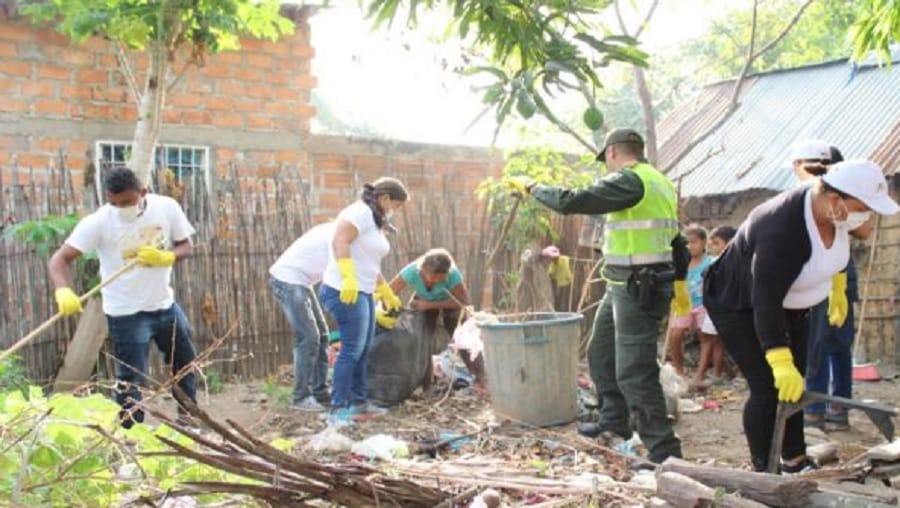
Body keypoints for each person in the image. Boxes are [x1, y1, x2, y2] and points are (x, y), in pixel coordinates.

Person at [506, 128, 689, 465]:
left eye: (606, 159)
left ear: (613, 153)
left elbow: (570, 201)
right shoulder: (658, 181)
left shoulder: (630, 180)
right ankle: (613, 421)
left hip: (638, 286)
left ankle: (664, 451)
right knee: (600, 352)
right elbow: (677, 241)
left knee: (635, 369)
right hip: (623, 283)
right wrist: (679, 283)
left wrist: (532, 187)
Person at [703, 159, 898, 473]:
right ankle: (764, 471)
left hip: (792, 302)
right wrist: (778, 359)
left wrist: (835, 285)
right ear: (835, 201)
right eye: (864, 207)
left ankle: (794, 458)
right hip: (739, 302)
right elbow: (764, 300)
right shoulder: (781, 228)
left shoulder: (835, 209)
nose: (869, 216)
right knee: (768, 385)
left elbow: (843, 243)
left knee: (796, 382)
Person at [48, 167, 199, 429]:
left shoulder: (166, 207)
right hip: (125, 314)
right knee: (131, 379)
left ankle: (189, 423)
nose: (120, 208)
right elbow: (59, 260)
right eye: (113, 203)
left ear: (143, 192)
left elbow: (185, 245)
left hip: (164, 305)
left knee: (184, 365)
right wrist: (62, 289)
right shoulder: (99, 222)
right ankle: (132, 435)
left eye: (127, 202)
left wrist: (168, 256)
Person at [318, 177, 409, 425]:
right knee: (351, 350)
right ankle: (338, 409)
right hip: (344, 290)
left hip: (364, 291)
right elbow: (339, 241)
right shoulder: (359, 212)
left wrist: (386, 291)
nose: (395, 211)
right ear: (386, 198)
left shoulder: (375, 219)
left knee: (363, 349)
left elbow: (369, 262)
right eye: (396, 205)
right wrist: (347, 277)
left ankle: (358, 404)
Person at [792, 144, 862, 431]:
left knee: (822, 345)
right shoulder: (839, 194)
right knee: (833, 345)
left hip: (830, 277)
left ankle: (818, 410)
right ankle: (835, 407)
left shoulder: (820, 195)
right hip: (835, 274)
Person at [385, 248, 485, 388]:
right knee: (420, 338)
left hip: (450, 303)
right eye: (430, 280)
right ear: (422, 270)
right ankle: (425, 385)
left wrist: (430, 305)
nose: (433, 284)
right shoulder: (411, 272)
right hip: (423, 302)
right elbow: (388, 292)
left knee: (463, 336)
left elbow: (464, 303)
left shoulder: (453, 276)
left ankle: (482, 379)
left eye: (439, 281)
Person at [268, 221, 334, 412]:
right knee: (308, 337)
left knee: (322, 336)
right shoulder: (340, 235)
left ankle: (319, 391)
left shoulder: (340, 230)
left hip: (302, 281)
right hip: (288, 279)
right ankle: (301, 397)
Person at [666, 224, 712, 378]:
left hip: (703, 305)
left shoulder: (710, 263)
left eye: (694, 242)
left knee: (705, 336)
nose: (690, 246)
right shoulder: (679, 262)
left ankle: (700, 373)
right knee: (675, 335)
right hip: (682, 303)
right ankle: (679, 370)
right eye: (687, 243)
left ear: (704, 242)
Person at [694, 225, 737, 386]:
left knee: (711, 340)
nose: (714, 248)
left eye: (717, 244)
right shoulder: (719, 261)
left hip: (721, 308)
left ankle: (702, 374)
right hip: (715, 309)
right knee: (713, 340)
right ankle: (714, 373)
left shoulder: (728, 262)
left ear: (730, 243)